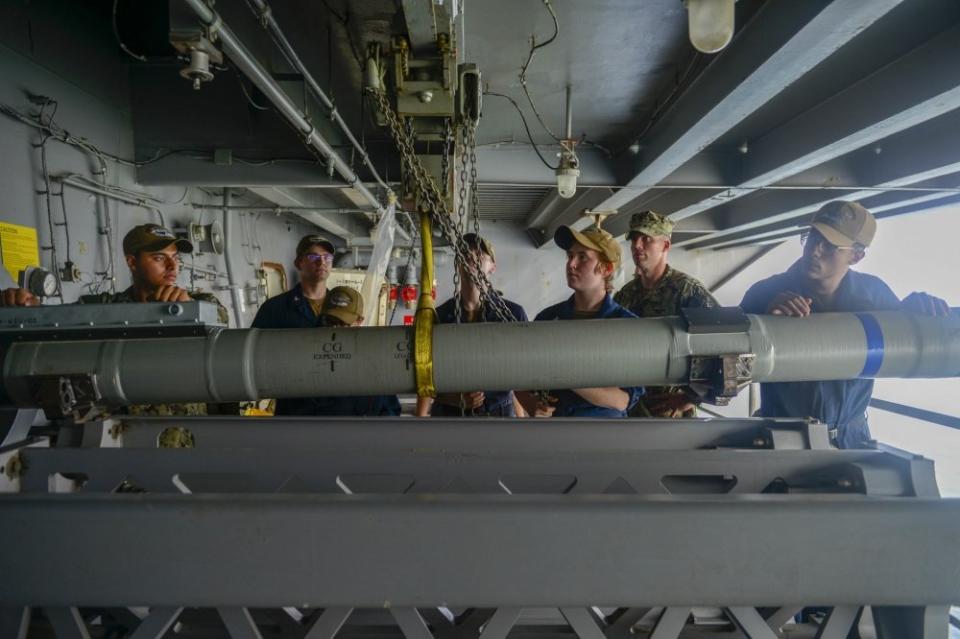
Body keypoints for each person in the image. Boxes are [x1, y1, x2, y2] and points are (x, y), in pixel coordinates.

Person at [740, 200, 950, 449]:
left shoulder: (875, 297)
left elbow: (904, 343)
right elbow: (722, 353)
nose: (814, 251)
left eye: (829, 245)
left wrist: (918, 312)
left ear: (857, 255)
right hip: (779, 440)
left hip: (851, 440)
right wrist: (762, 324)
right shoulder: (765, 294)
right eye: (811, 238)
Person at [0, 223, 231, 439]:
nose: (173, 267)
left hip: (181, 435)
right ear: (132, 262)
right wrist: (28, 308)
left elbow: (220, 318)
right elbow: (56, 328)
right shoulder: (101, 308)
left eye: (175, 258)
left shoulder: (200, 301)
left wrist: (189, 305)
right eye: (159, 258)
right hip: (113, 435)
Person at [523, 225, 643, 418]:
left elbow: (622, 400)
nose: (571, 264)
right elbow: (518, 372)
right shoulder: (547, 318)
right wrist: (531, 404)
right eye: (570, 256)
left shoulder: (627, 326)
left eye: (582, 257)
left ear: (606, 268)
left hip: (601, 437)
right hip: (554, 435)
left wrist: (561, 375)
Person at [614, 210, 717, 418]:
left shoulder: (688, 291)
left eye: (646, 239)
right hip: (632, 412)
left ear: (666, 246)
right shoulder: (626, 294)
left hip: (671, 414)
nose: (637, 246)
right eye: (634, 239)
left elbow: (723, 343)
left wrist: (690, 398)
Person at [416, 233, 529, 417]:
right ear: (457, 263)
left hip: (498, 415)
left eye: (480, 254)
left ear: (493, 267)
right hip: (448, 415)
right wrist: (450, 399)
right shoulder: (439, 316)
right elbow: (424, 374)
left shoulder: (513, 315)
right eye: (465, 252)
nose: (471, 256)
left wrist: (522, 419)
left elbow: (522, 375)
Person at [275, 286, 401, 417]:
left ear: (359, 321)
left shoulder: (373, 362)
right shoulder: (300, 354)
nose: (334, 329)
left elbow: (390, 411)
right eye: (330, 322)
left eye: (342, 324)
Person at [251, 234, 335, 329]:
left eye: (327, 257)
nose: (322, 262)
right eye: (313, 257)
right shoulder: (274, 308)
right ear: (298, 263)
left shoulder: (341, 307)